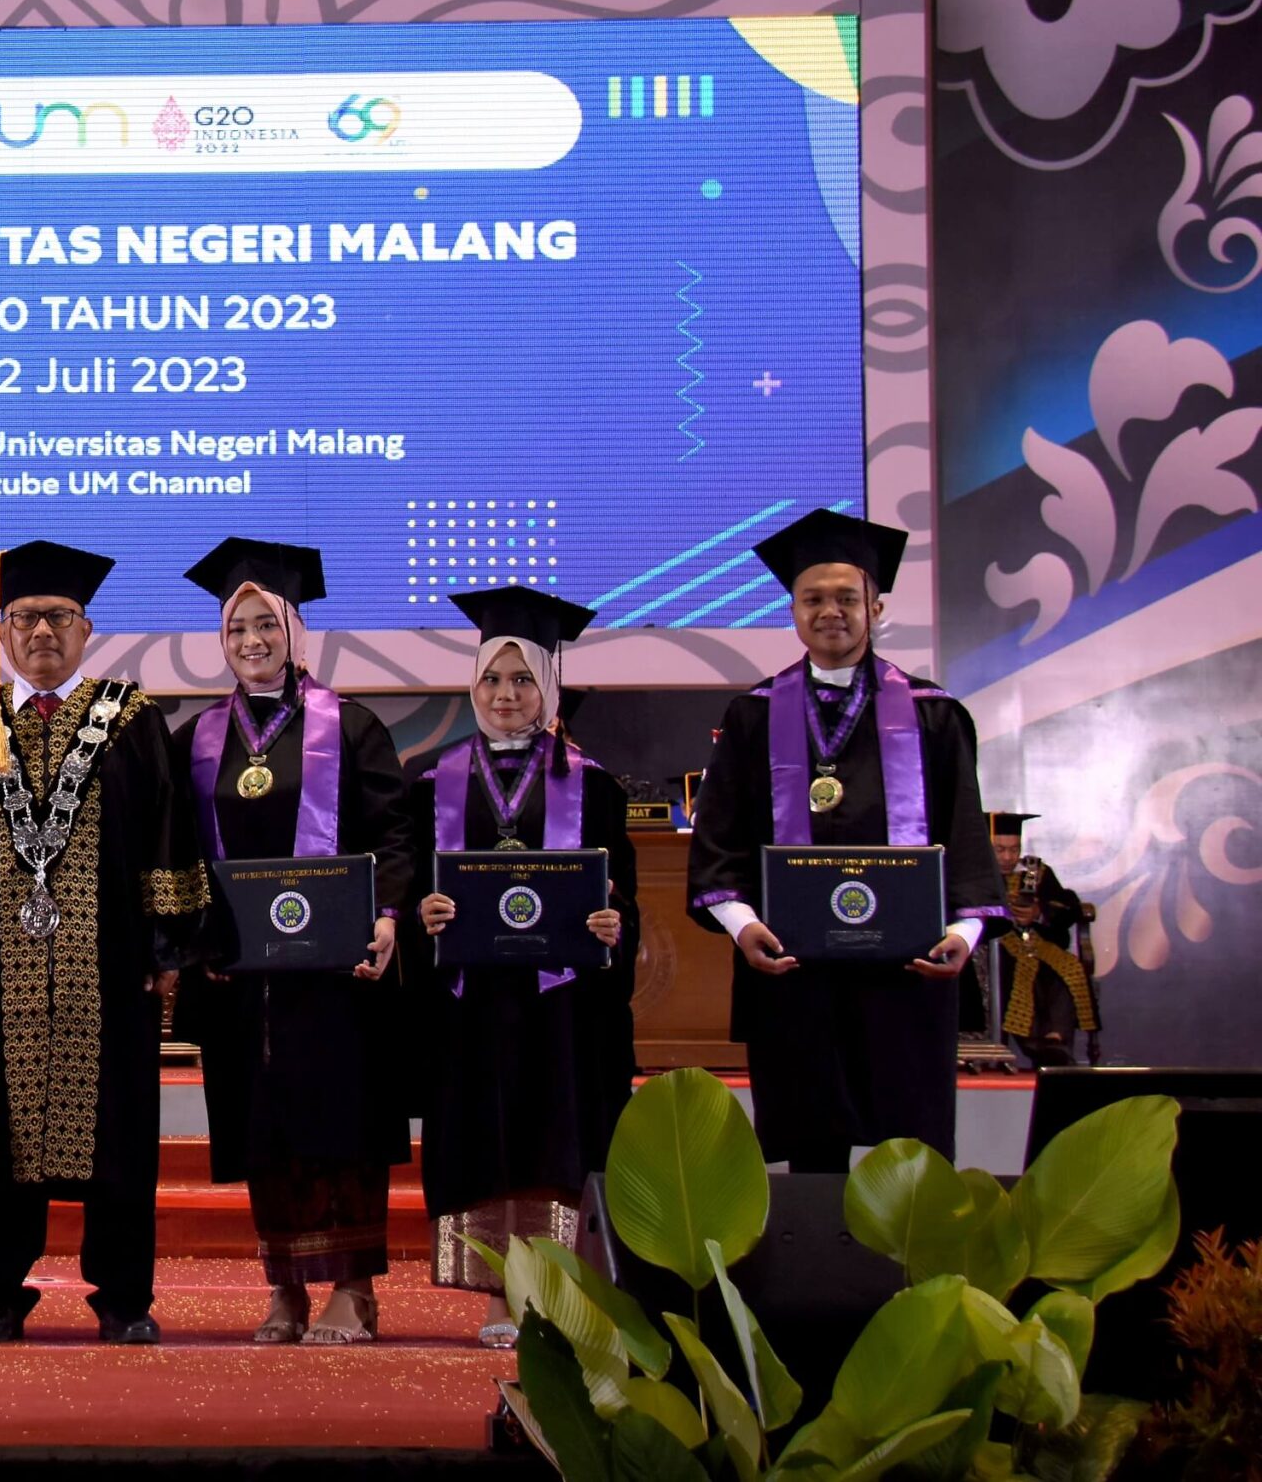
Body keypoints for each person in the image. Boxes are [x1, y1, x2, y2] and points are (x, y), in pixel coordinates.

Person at [0, 540, 204, 1345]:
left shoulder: (131, 721)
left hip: (112, 967)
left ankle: (126, 1297)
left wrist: (169, 953)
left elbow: (169, 838)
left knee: (121, 1134)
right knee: (1, 1130)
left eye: (58, 617)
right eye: (23, 617)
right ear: (1, 631)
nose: (40, 632)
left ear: (87, 628)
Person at [688, 509, 1005, 1170]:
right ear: (793, 610)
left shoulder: (934, 715)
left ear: (875, 605)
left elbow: (966, 837)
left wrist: (962, 934)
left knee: (911, 1157)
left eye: (845, 597)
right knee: (811, 1156)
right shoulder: (753, 715)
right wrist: (745, 928)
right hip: (796, 977)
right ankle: (816, 1274)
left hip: (906, 979)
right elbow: (719, 844)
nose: (830, 611)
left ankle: (913, 1275)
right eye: (813, 598)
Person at [169, 539, 417, 1346]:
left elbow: (391, 831)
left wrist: (385, 914)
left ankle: (352, 1287)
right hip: (242, 971)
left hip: (334, 972)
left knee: (342, 1119)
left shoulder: (352, 726)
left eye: (265, 624)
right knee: (263, 1124)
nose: (251, 640)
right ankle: (285, 1287)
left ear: (295, 629)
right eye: (237, 626)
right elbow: (180, 850)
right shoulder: (198, 737)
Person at [411, 585, 636, 1348]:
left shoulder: (594, 783)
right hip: (469, 1002)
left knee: (555, 1134)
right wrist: (423, 915)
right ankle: (497, 1294)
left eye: (522, 680)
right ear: (471, 687)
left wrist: (615, 921)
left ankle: (558, 1288)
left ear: (549, 685)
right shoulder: (433, 781)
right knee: (483, 1140)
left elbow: (623, 897)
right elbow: (412, 888)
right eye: (491, 680)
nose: (505, 695)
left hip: (561, 1003)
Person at [985, 813, 1099, 1068]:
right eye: (1000, 850)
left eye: (1014, 849)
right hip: (997, 951)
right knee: (1021, 974)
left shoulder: (1033, 872)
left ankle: (1055, 1041)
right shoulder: (978, 874)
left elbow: (1067, 906)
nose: (1007, 857)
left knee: (1066, 969)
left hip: (1040, 946)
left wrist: (1040, 912)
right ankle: (1038, 1047)